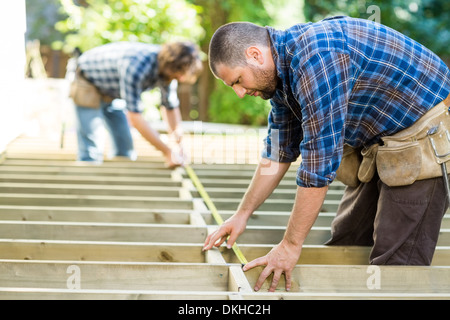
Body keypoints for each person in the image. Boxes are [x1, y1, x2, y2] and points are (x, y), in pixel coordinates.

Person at [202, 16, 450, 292]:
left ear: (255, 54)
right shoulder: (279, 79)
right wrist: (242, 214)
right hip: (379, 139)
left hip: (423, 133)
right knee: (347, 240)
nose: (239, 92)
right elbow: (277, 153)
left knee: (397, 268)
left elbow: (318, 164)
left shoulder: (317, 58)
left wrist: (290, 246)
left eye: (237, 80)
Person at [71, 41, 203, 167]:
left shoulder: (169, 72)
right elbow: (135, 118)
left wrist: (178, 145)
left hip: (111, 91)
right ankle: (89, 167)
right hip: (86, 79)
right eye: (179, 74)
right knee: (91, 151)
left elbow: (170, 107)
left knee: (125, 149)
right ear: (171, 65)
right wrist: (167, 152)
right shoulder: (136, 67)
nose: (181, 79)